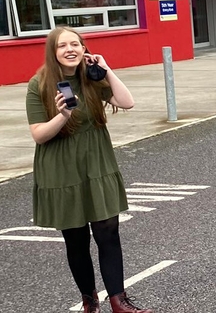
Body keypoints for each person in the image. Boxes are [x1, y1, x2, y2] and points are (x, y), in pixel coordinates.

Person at [26, 26, 152, 313]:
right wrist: (63, 115)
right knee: (76, 238)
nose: (70, 49)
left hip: (96, 161)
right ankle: (89, 301)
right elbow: (38, 134)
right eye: (62, 46)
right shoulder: (39, 84)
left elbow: (126, 102)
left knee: (108, 232)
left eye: (76, 44)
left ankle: (119, 302)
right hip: (61, 167)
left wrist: (106, 69)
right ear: (53, 51)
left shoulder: (92, 77)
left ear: (84, 48)